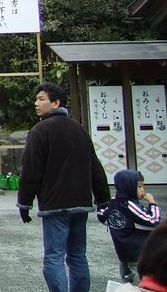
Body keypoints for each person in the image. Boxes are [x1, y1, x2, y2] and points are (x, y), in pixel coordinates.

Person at [17, 82, 111, 292]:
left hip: (54, 205)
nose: (36, 103)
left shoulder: (40, 130)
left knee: (54, 257)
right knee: (78, 256)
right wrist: (103, 199)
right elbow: (94, 166)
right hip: (80, 202)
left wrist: (24, 203)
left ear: (56, 102)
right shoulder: (78, 128)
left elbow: (31, 169)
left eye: (42, 99)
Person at [98, 170, 161, 283]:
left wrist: (102, 208)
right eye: (139, 186)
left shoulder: (114, 202)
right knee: (140, 281)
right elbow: (153, 220)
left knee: (127, 281)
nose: (143, 190)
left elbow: (102, 216)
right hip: (137, 251)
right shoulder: (130, 205)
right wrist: (153, 204)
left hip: (123, 252)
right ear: (129, 187)